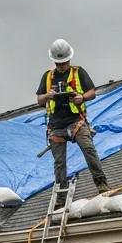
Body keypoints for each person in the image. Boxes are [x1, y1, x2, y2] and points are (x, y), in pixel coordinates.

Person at [36, 38, 109, 193]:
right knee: (59, 162)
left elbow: (92, 92)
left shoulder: (78, 72)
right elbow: (39, 100)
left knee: (89, 149)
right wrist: (47, 96)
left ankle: (101, 183)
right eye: (58, 63)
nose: (61, 66)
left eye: (64, 63)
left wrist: (81, 98)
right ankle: (61, 196)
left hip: (76, 121)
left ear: (69, 59)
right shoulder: (48, 76)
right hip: (56, 125)